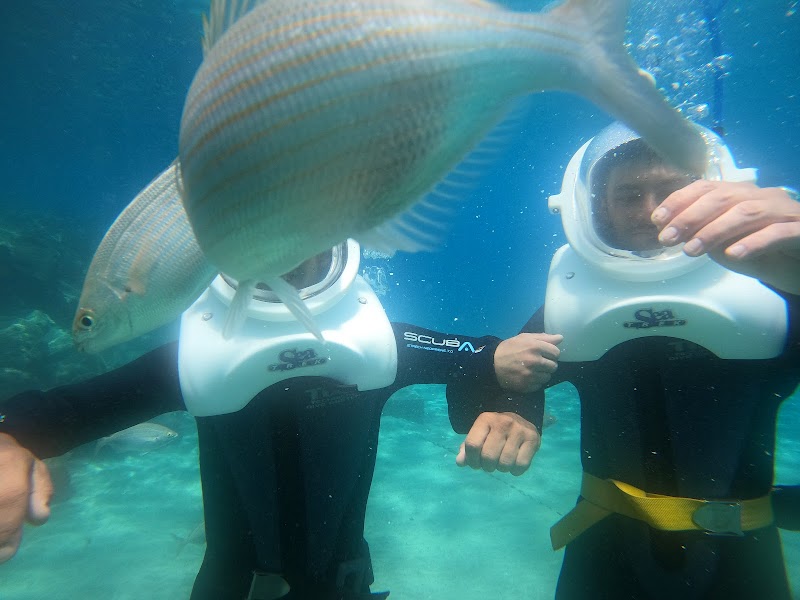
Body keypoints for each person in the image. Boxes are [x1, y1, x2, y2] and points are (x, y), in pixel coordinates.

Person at [0, 239, 541, 600]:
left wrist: (507, 410)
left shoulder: (382, 343)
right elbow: (65, 410)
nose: (283, 249)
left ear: (339, 237)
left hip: (341, 584)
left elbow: (493, 358)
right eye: (261, 226)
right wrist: (9, 438)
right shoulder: (194, 359)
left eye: (302, 225)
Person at [447, 122, 800, 599]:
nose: (653, 211)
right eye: (628, 195)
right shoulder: (574, 300)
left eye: (674, 191)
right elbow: (520, 371)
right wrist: (513, 411)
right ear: (596, 207)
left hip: (740, 562)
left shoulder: (772, 283)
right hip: (606, 554)